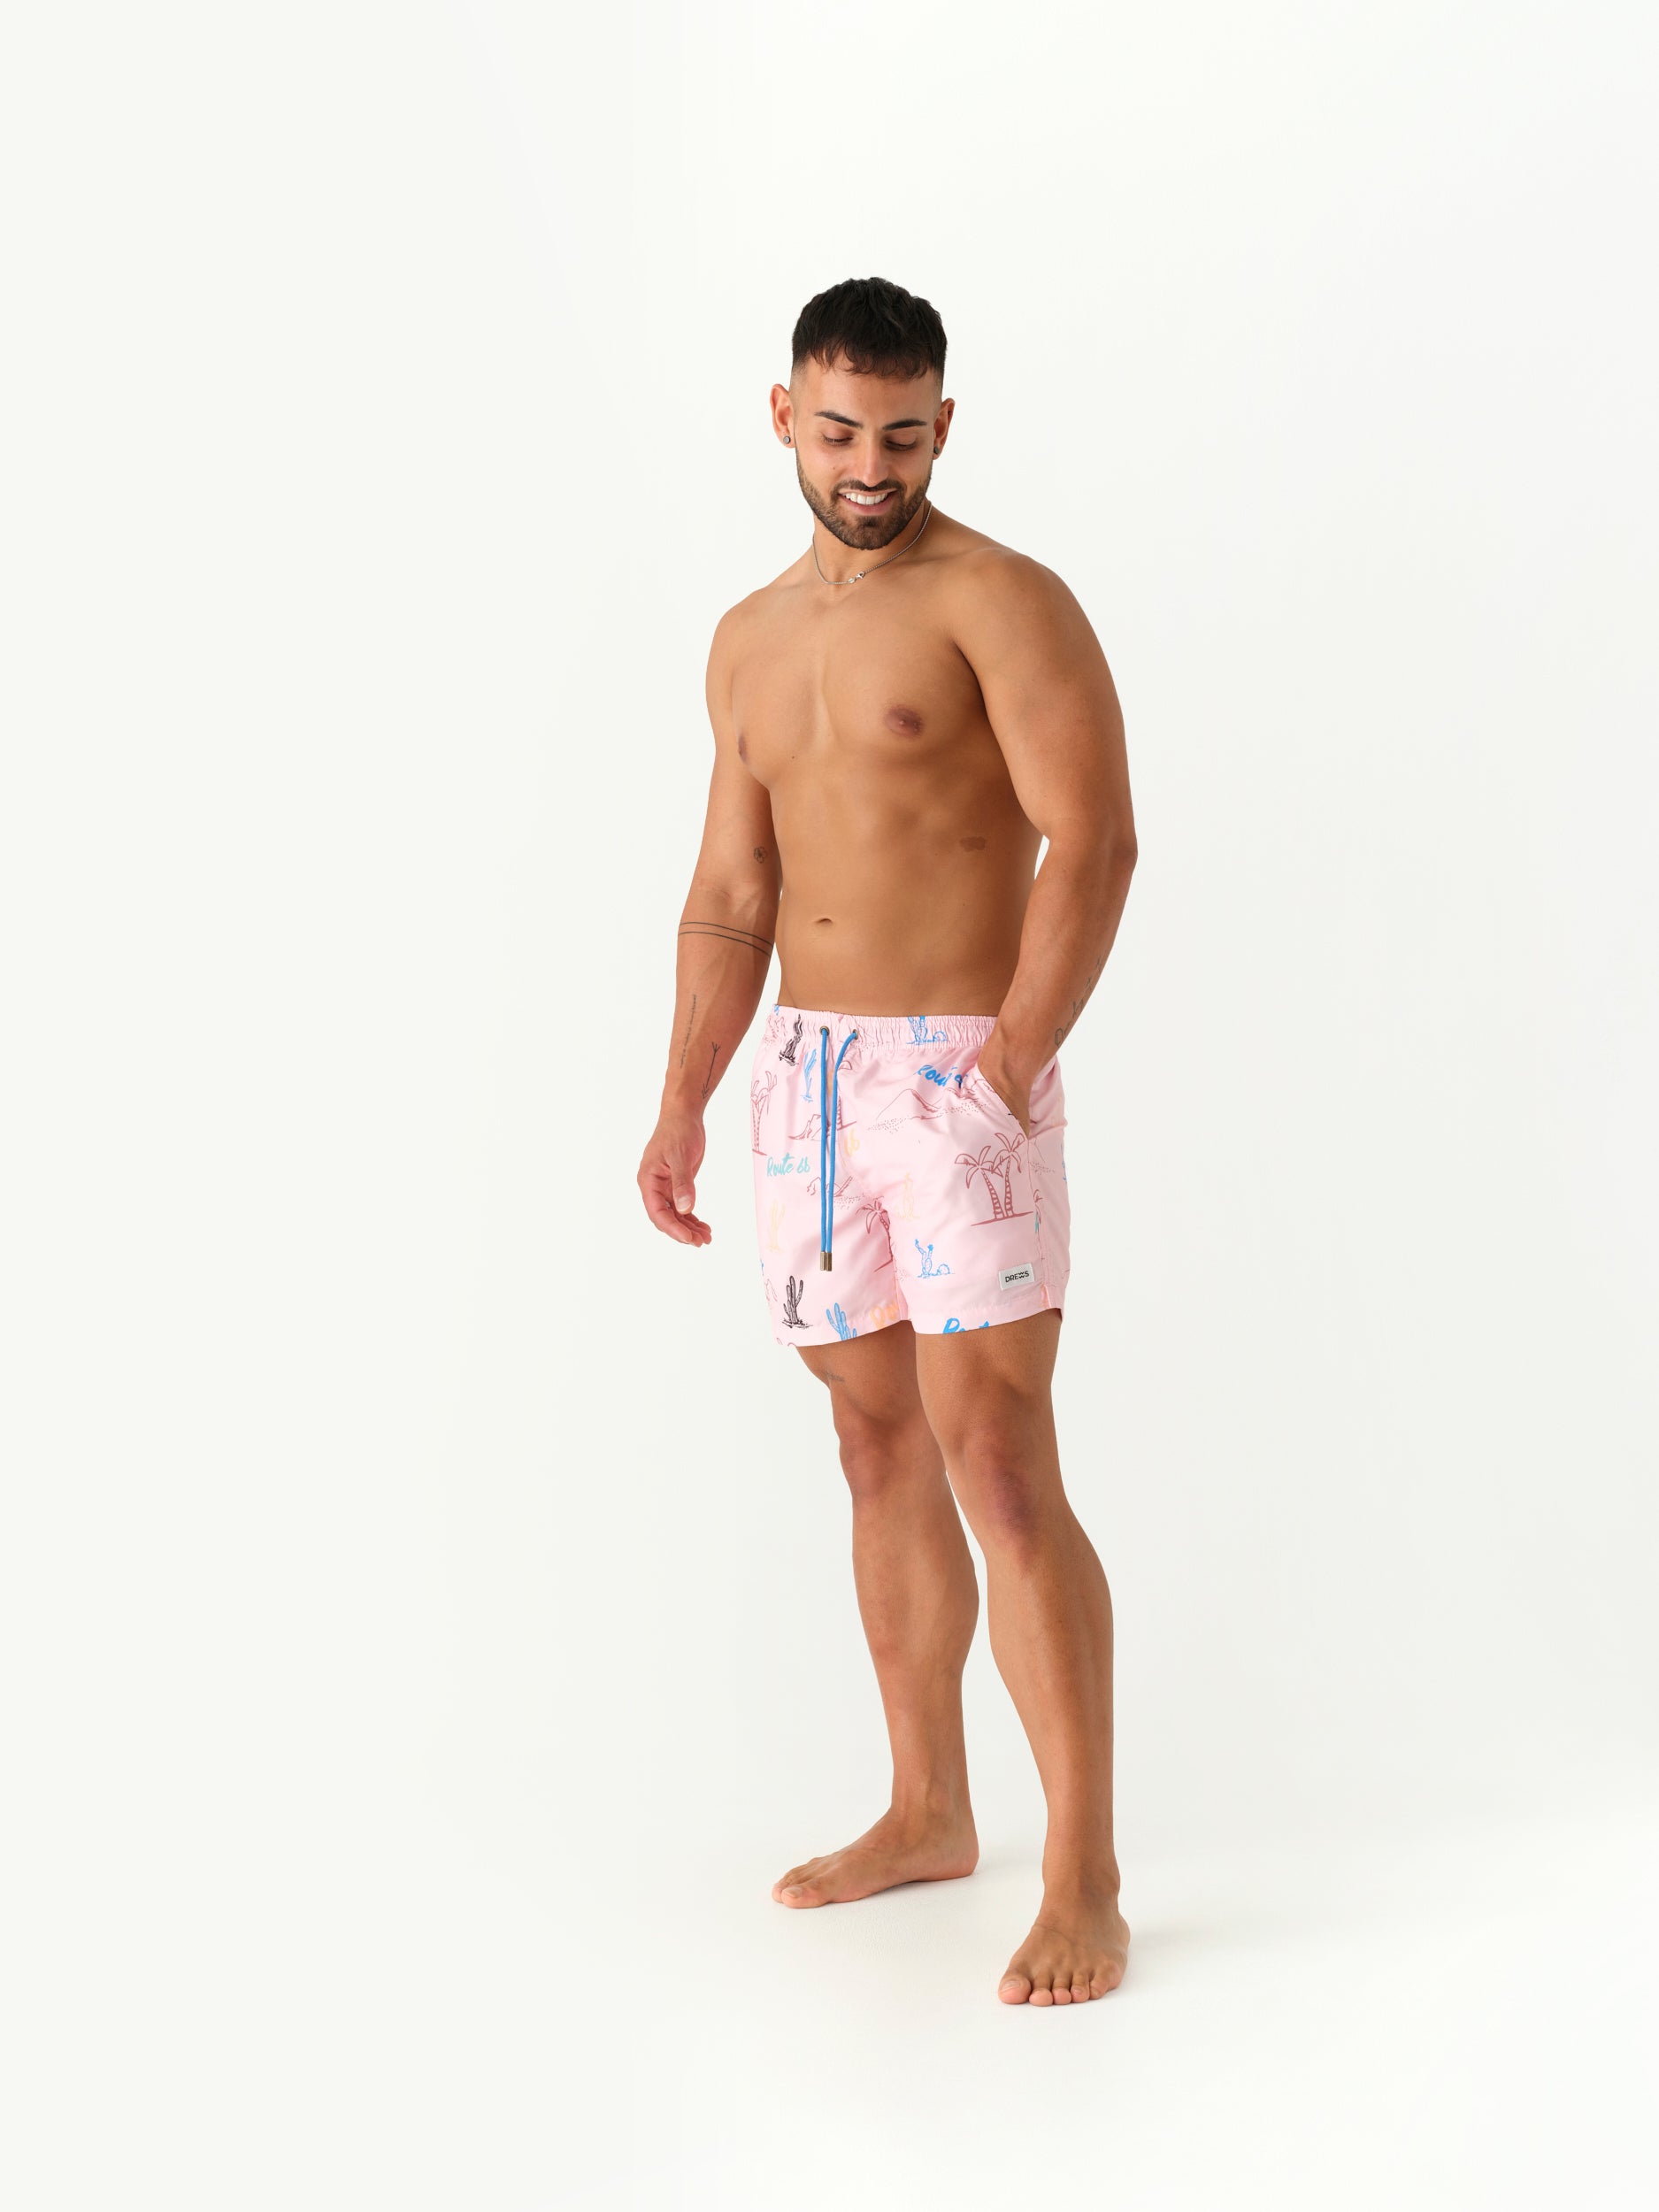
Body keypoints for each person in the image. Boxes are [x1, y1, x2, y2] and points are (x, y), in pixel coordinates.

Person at [636, 276, 1138, 2006]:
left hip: (959, 1068)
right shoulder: (746, 637)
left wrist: (1010, 1063)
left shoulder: (1002, 600)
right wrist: (684, 1092)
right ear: (785, 416)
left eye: (904, 436)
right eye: (842, 431)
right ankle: (928, 1808)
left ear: (944, 425)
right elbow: (731, 889)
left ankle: (1083, 1870)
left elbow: (1095, 839)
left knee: (995, 1451)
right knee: (872, 1445)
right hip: (809, 1079)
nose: (871, 467)